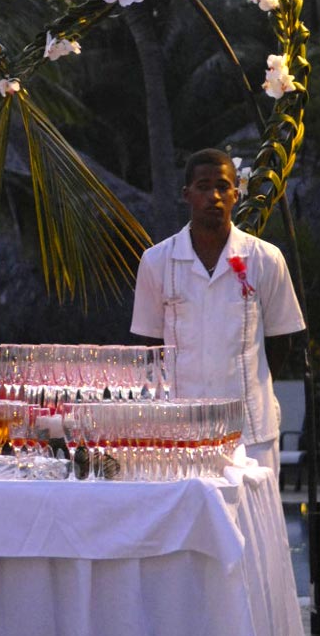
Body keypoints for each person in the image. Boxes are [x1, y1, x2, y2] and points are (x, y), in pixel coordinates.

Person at [131, 148, 305, 474]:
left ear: (236, 195)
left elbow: (282, 340)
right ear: (187, 194)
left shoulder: (265, 259)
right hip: (179, 428)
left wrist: (249, 384)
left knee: (254, 509)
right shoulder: (156, 261)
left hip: (250, 429)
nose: (214, 196)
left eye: (223, 187)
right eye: (203, 186)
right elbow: (149, 345)